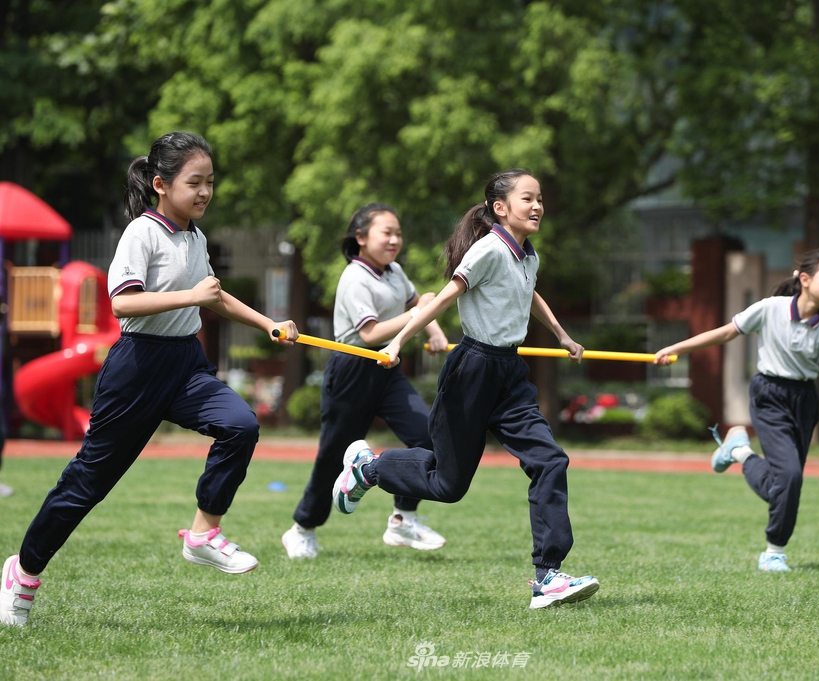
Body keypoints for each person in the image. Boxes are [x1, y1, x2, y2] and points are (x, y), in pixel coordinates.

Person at [0, 131, 298, 626]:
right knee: (87, 484)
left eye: (210, 183)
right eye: (194, 182)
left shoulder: (195, 237)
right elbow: (123, 303)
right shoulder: (142, 233)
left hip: (185, 365)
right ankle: (23, 573)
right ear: (161, 184)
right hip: (136, 368)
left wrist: (267, 323)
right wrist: (192, 298)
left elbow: (215, 296)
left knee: (240, 424)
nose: (204, 192)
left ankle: (204, 533)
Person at [331, 169, 600, 609]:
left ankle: (547, 576)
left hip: (510, 374)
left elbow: (531, 294)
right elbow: (439, 298)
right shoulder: (488, 250)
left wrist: (562, 335)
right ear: (500, 208)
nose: (537, 206)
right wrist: (397, 340)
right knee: (447, 484)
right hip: (472, 370)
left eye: (539, 199)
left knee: (550, 460)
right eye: (527, 198)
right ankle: (368, 469)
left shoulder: (527, 254)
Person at [653, 247, 819, 572]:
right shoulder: (770, 309)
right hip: (769, 395)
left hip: (804, 401)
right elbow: (725, 333)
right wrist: (676, 347)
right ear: (805, 279)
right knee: (789, 477)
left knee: (787, 483)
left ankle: (740, 453)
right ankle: (773, 552)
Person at [282, 202, 449, 559]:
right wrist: (417, 315)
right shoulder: (354, 277)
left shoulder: (394, 272)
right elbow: (371, 333)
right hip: (352, 370)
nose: (394, 240)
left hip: (388, 372)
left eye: (398, 233)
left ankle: (403, 519)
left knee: (426, 436)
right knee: (332, 457)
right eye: (386, 232)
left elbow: (420, 301)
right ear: (360, 238)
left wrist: (433, 329)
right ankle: (302, 528)